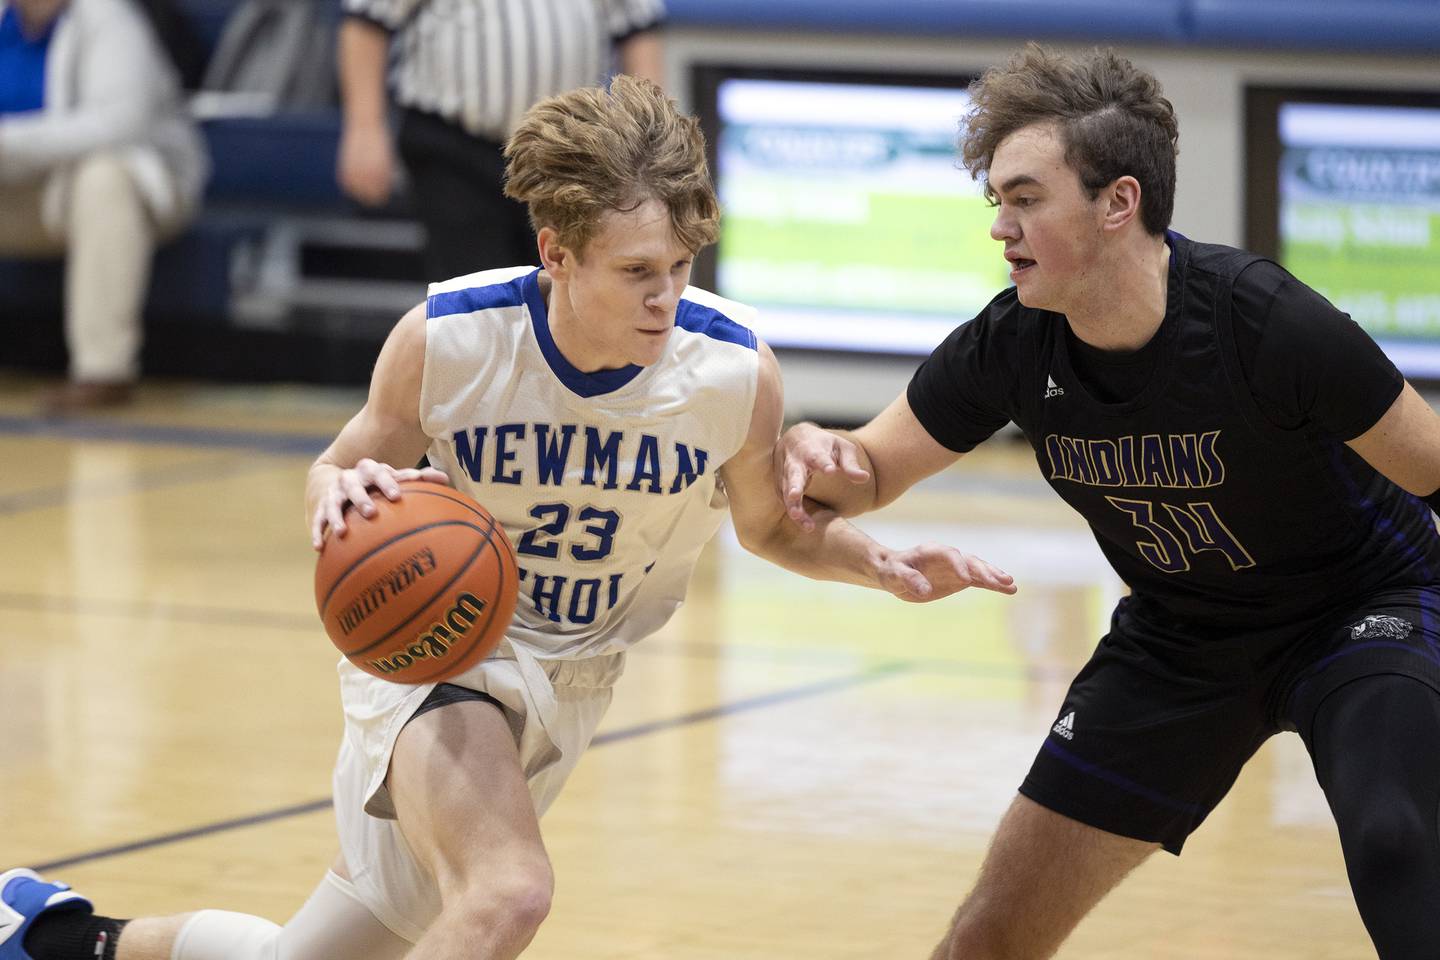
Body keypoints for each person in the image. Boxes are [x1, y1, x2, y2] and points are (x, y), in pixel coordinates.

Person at [0, 77, 1017, 960]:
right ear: (556, 253)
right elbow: (340, 466)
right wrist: (335, 494)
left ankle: (47, 933)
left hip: (573, 677)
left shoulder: (731, 371)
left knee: (327, 945)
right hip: (436, 646)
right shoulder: (449, 338)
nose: (665, 297)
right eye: (635, 273)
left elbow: (772, 528)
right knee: (508, 895)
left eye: (679, 268)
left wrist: (873, 560)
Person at [776, 44, 1440, 960]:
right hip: (1182, 637)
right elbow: (870, 471)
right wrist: (809, 444)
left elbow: (1436, 467)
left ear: (1118, 201)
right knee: (994, 930)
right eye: (996, 202)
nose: (1001, 227)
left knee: (1396, 838)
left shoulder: (1267, 323)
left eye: (1025, 198)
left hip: (1361, 611)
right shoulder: (1011, 344)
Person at [336, 0, 666, 284]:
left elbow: (637, 30)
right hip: (456, 149)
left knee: (566, 294)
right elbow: (368, 19)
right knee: (479, 303)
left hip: (571, 157)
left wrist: (649, 142)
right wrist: (365, 128)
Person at [0, 0, 208, 413]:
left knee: (103, 178)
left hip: (134, 182)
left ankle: (103, 373)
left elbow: (117, 125)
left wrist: (6, 143)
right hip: (18, 189)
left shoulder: (109, 18)